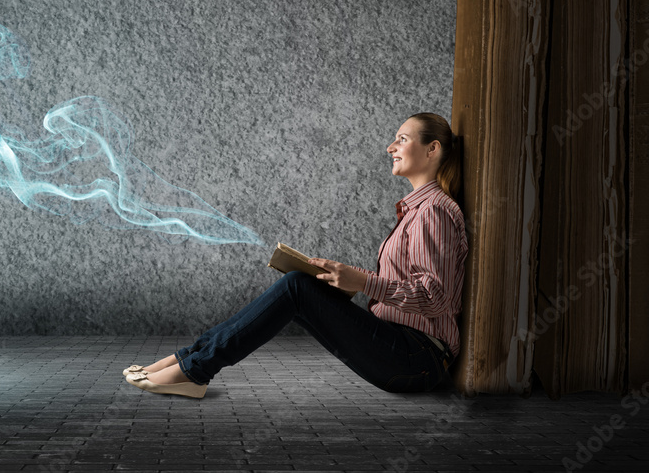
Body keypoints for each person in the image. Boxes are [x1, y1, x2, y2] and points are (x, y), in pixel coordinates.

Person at [124, 112, 468, 398]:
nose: (390, 147)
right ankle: (189, 359)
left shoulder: (433, 211)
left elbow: (436, 297)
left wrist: (363, 282)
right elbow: (409, 284)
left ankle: (194, 370)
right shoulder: (418, 210)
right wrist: (344, 278)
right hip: (404, 350)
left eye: (402, 139)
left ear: (432, 150)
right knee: (302, 284)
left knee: (296, 288)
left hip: (418, 359)